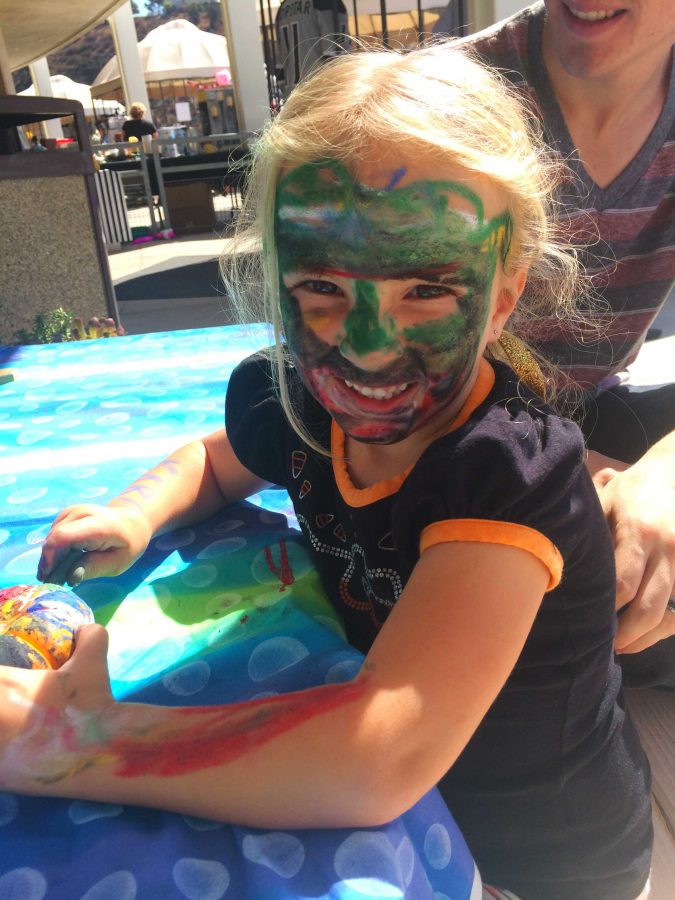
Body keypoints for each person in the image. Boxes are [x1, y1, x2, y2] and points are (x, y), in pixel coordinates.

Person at [3, 45, 652, 899]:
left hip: (545, 858)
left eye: (426, 290)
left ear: (501, 295)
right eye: (321, 288)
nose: (369, 343)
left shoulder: (503, 477)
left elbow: (378, 751)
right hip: (412, 817)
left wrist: (82, 743)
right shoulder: (304, 406)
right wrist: (134, 517)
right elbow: (213, 460)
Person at [459, 0, 675, 688]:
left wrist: (666, 472)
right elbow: (375, 360)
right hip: (458, 447)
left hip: (591, 420)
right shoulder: (442, 104)